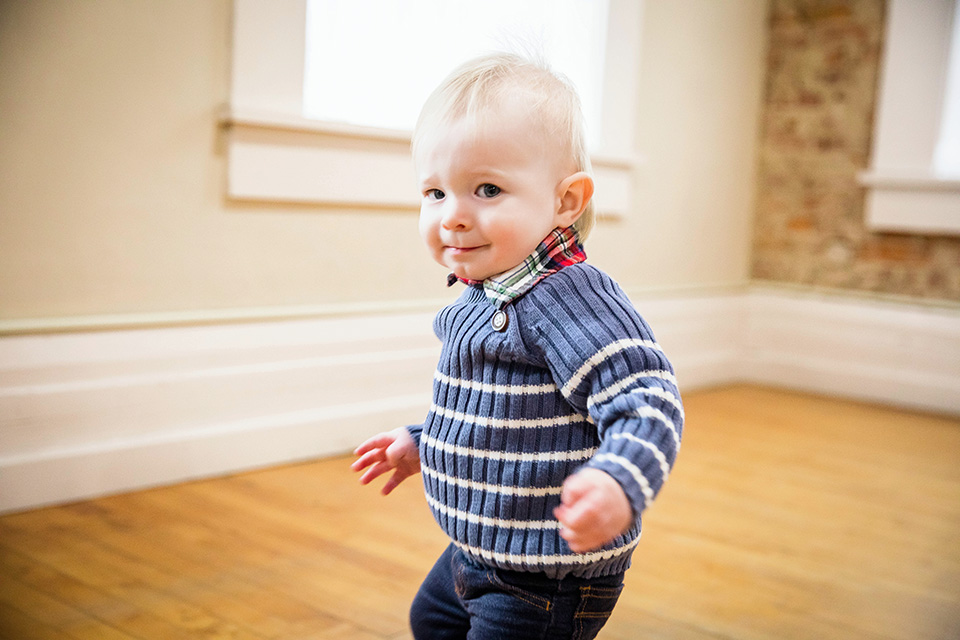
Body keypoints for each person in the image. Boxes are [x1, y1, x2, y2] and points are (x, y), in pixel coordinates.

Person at [352, 52, 684, 640]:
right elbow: (498, 414)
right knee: (429, 620)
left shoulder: (569, 296)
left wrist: (620, 481)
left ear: (565, 201)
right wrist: (424, 441)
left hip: (546, 577)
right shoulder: (480, 295)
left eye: (486, 189)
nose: (452, 216)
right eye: (434, 193)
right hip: (475, 549)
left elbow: (649, 401)